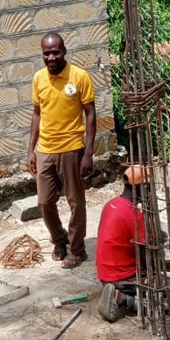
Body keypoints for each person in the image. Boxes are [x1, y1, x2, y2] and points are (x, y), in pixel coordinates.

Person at [28, 32, 96, 269]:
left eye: (55, 51)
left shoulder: (79, 77)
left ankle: (77, 250)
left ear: (64, 50)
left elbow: (90, 114)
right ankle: (60, 240)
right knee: (45, 203)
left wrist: (88, 153)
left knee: (76, 202)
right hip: (45, 149)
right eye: (46, 53)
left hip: (72, 150)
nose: (51, 57)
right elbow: (37, 114)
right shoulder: (38, 79)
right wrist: (31, 150)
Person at [96, 165, 170, 323]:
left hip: (105, 274)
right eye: (148, 187)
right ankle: (124, 299)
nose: (150, 192)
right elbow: (148, 261)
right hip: (123, 277)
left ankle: (120, 294)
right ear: (141, 187)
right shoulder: (135, 216)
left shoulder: (111, 204)